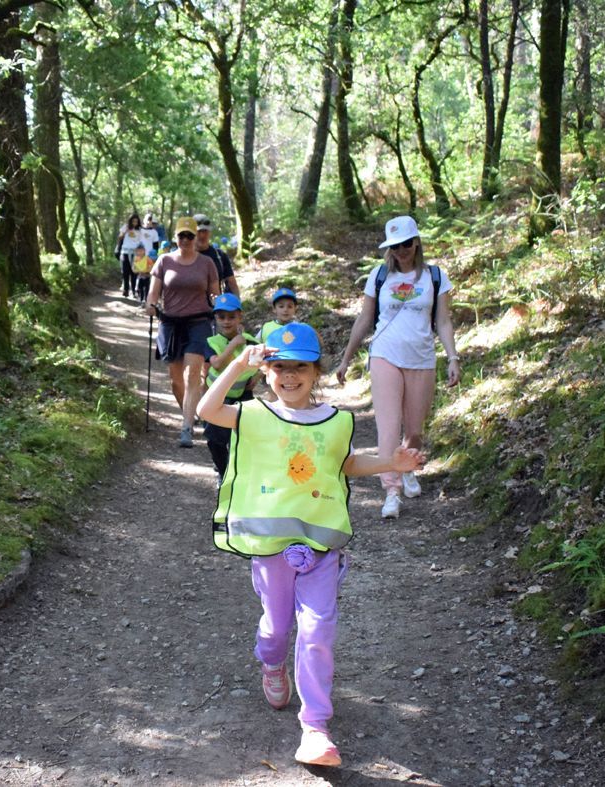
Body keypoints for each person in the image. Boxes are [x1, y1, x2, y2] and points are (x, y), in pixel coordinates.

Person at [197, 323, 424, 768]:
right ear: (267, 372)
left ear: (315, 370)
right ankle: (271, 663)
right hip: (269, 547)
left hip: (322, 545)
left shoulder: (338, 420)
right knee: (276, 628)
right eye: (279, 367)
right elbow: (207, 408)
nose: (289, 376)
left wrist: (388, 463)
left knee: (318, 629)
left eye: (299, 366)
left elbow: (346, 463)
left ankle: (316, 727)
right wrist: (239, 364)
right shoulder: (252, 413)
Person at [334, 215, 459, 519]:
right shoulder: (379, 276)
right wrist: (346, 358)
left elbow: (442, 320)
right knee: (388, 428)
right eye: (394, 246)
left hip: (422, 358)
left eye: (406, 244)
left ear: (417, 243)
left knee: (414, 430)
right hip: (384, 355)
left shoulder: (436, 277)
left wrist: (453, 357)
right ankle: (391, 491)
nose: (401, 251)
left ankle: (407, 467)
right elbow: (365, 319)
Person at [145, 216, 220, 447]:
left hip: (198, 323)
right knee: (176, 379)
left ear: (196, 237)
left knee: (191, 376)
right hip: (170, 323)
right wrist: (150, 305)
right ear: (175, 237)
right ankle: (191, 412)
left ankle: (186, 428)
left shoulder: (207, 263)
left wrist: (223, 308)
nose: (186, 239)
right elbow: (154, 292)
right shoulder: (164, 261)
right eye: (182, 235)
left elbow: (215, 293)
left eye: (190, 235)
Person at [203, 292, 259, 478]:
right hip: (217, 399)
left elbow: (267, 361)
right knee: (215, 440)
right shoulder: (211, 342)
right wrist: (234, 344)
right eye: (221, 317)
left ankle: (239, 474)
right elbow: (217, 364)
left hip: (243, 397)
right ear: (215, 318)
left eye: (231, 317)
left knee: (242, 438)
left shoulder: (250, 341)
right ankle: (223, 472)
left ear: (240, 317)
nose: (226, 321)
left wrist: (257, 376)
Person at [193, 213, 239, 296]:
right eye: (199, 232)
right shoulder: (184, 257)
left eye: (205, 231)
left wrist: (237, 305)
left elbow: (231, 283)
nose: (202, 235)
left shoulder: (220, 256)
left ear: (210, 232)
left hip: (216, 306)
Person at [115, 213, 146, 297]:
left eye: (136, 221)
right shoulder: (125, 227)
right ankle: (125, 289)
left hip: (135, 253)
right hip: (125, 252)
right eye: (133, 221)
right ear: (130, 221)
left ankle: (133, 290)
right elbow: (120, 237)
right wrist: (125, 232)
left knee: (134, 272)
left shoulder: (140, 230)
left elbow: (142, 241)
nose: (134, 223)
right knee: (125, 271)